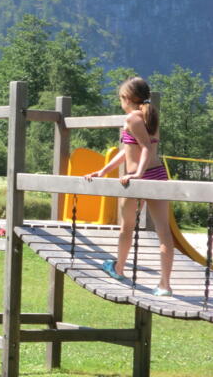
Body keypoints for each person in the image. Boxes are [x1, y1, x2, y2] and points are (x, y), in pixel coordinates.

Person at [84, 77, 173, 297]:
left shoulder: (132, 118)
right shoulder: (150, 116)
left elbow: (144, 149)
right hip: (158, 175)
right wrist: (104, 170)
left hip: (137, 179)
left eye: (121, 98)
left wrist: (138, 174)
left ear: (127, 99)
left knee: (127, 227)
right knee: (164, 232)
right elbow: (128, 150)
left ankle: (119, 269)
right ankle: (165, 285)